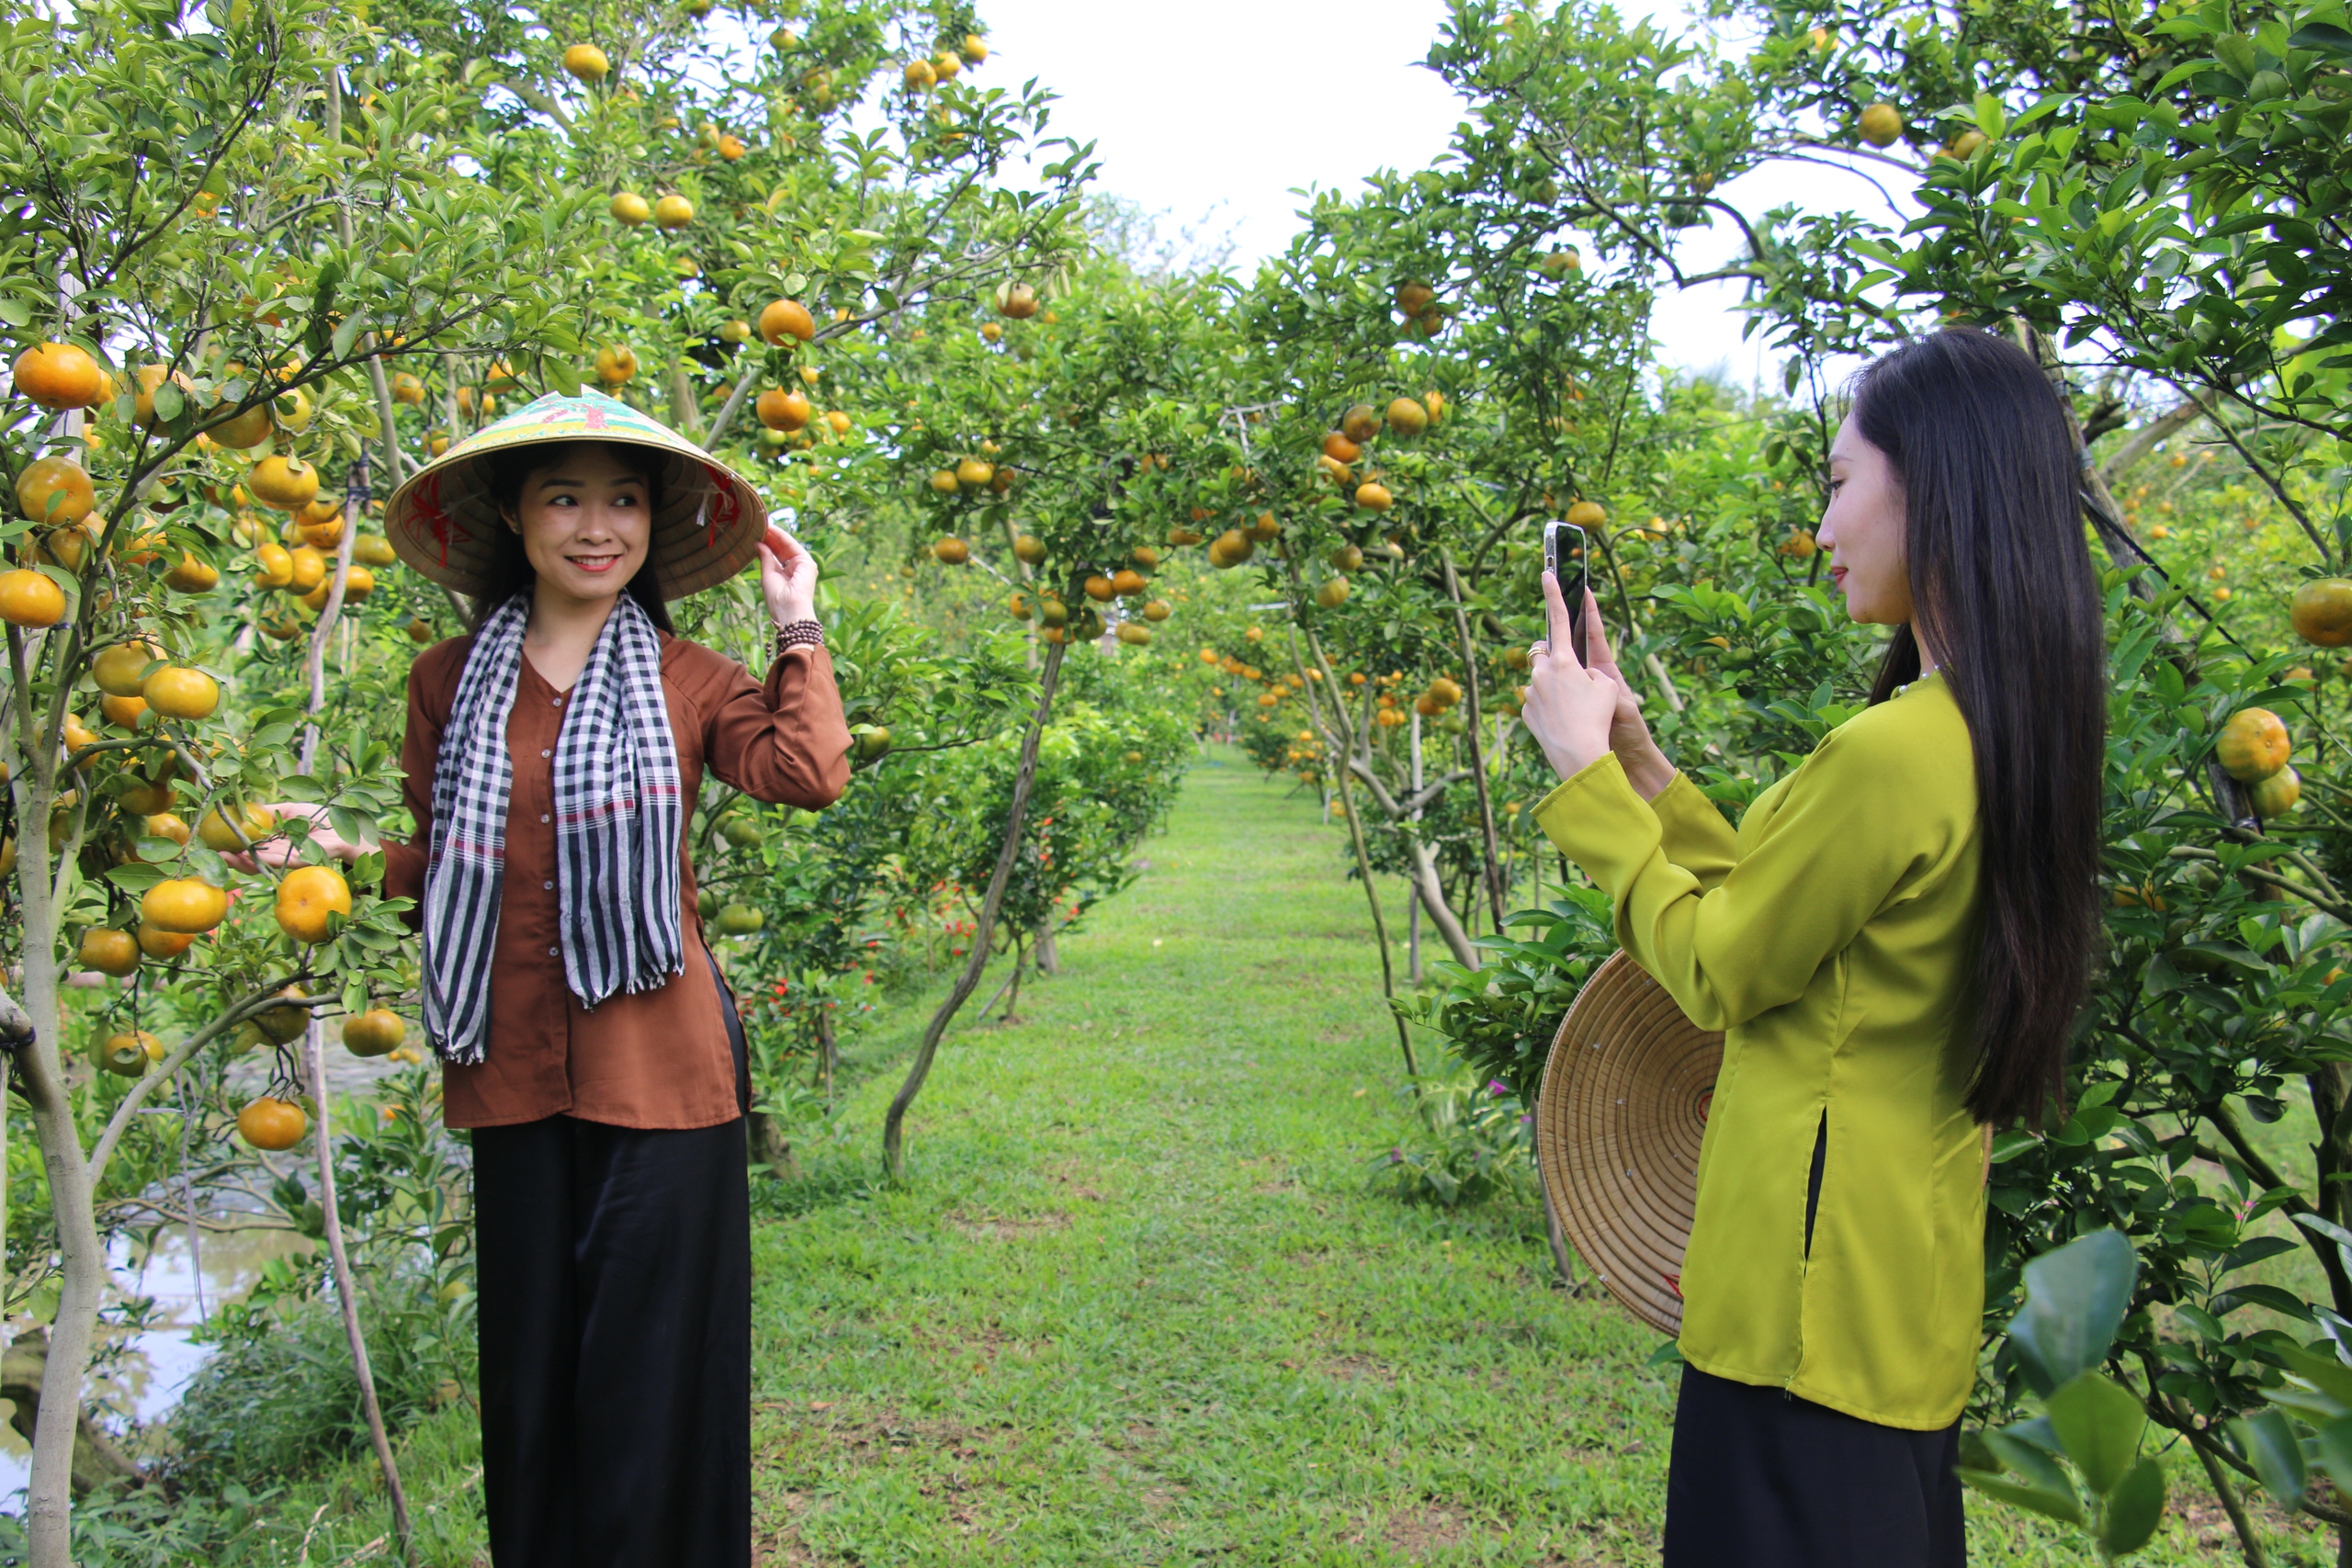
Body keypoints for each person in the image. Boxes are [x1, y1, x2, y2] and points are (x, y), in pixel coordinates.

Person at [1519, 329, 2106, 1567]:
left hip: (1799, 1328)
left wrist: (1580, 782)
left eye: (1840, 482)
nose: (1824, 523)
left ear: (1934, 484)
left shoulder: (1895, 750)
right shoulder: (1990, 732)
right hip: (1891, 1302)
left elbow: (1723, 968)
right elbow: (1787, 927)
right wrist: (1636, 763)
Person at [247, 389, 851, 1566]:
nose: (596, 526)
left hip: (663, 1077)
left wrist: (797, 624)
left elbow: (806, 771)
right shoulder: (446, 679)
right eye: (563, 496)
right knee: (532, 1383)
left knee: (652, 1383)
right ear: (513, 522)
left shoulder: (689, 675)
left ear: (652, 524)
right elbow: (442, 863)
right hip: (512, 1073)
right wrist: (322, 854)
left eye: (623, 499)